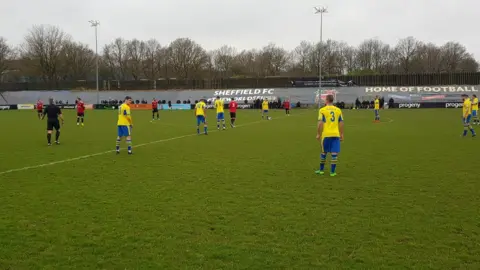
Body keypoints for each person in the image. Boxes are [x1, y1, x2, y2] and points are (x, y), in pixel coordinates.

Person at [315, 94, 344, 177]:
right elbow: (341, 122)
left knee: (324, 152)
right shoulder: (338, 110)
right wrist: (341, 133)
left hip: (326, 134)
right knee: (334, 153)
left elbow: (320, 123)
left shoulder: (322, 110)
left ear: (327, 100)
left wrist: (318, 133)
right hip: (336, 134)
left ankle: (321, 170)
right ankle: (332, 172)